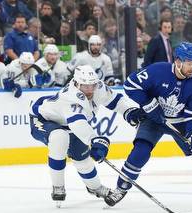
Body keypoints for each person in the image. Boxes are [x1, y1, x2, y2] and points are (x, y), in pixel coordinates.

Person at [104, 42, 192, 206]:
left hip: (181, 122)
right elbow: (130, 84)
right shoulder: (159, 70)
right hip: (154, 119)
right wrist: (149, 105)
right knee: (140, 151)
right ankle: (120, 189)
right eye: (189, 63)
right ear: (178, 62)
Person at [29, 64, 141, 205]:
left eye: (92, 85)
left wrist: (128, 111)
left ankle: (95, 187)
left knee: (82, 158)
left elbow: (115, 100)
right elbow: (78, 124)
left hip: (68, 124)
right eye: (85, 86)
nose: (89, 90)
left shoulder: (98, 87)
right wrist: (95, 139)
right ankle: (58, 186)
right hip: (43, 119)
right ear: (76, 83)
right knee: (59, 138)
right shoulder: (69, 98)